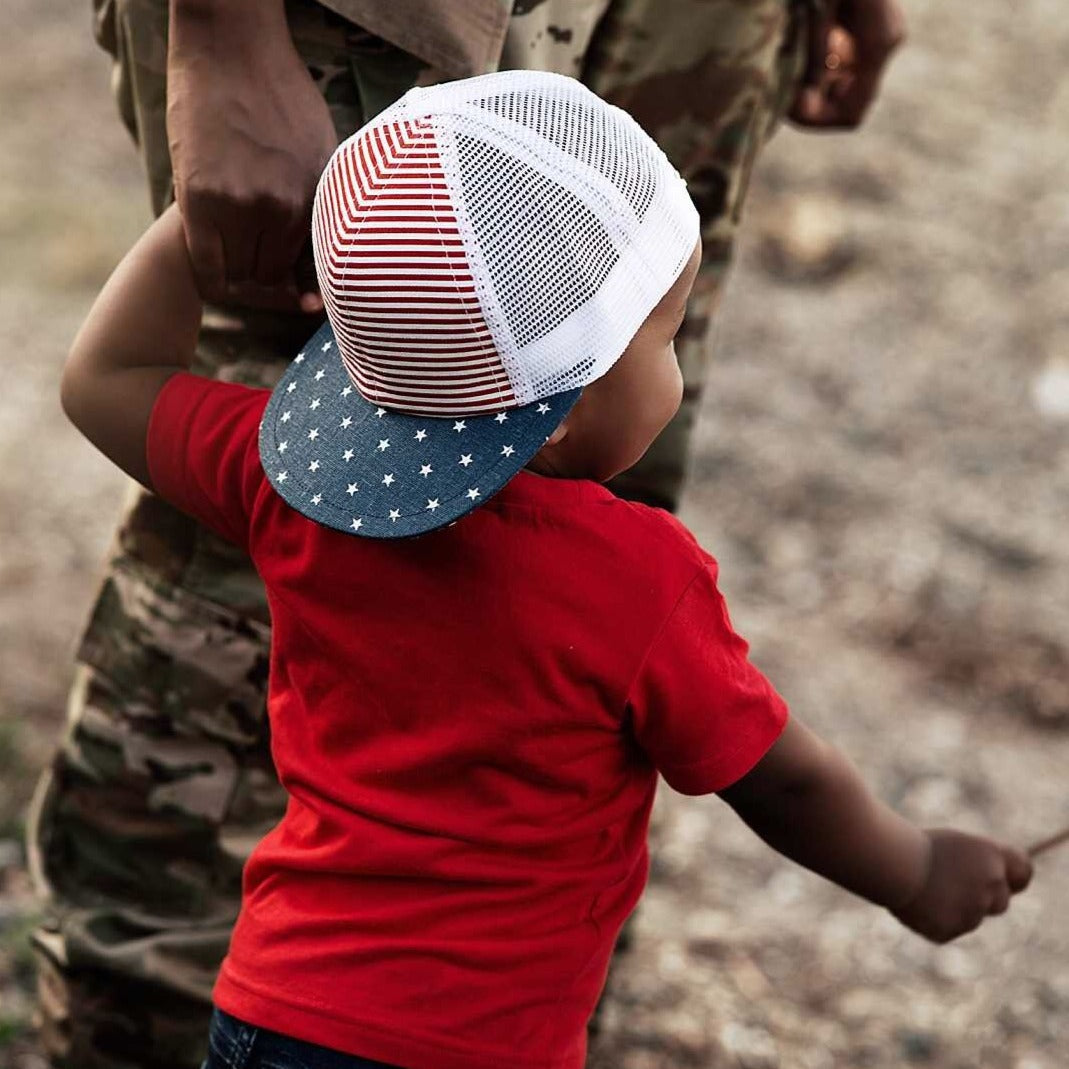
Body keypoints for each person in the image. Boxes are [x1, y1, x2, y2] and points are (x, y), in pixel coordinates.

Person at [58, 72, 1030, 1069]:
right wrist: (914, 871)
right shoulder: (639, 578)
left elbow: (105, 379)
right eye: (661, 341)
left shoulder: (282, 486)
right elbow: (782, 780)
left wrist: (199, 208)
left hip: (271, 1016)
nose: (675, 369)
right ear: (559, 410)